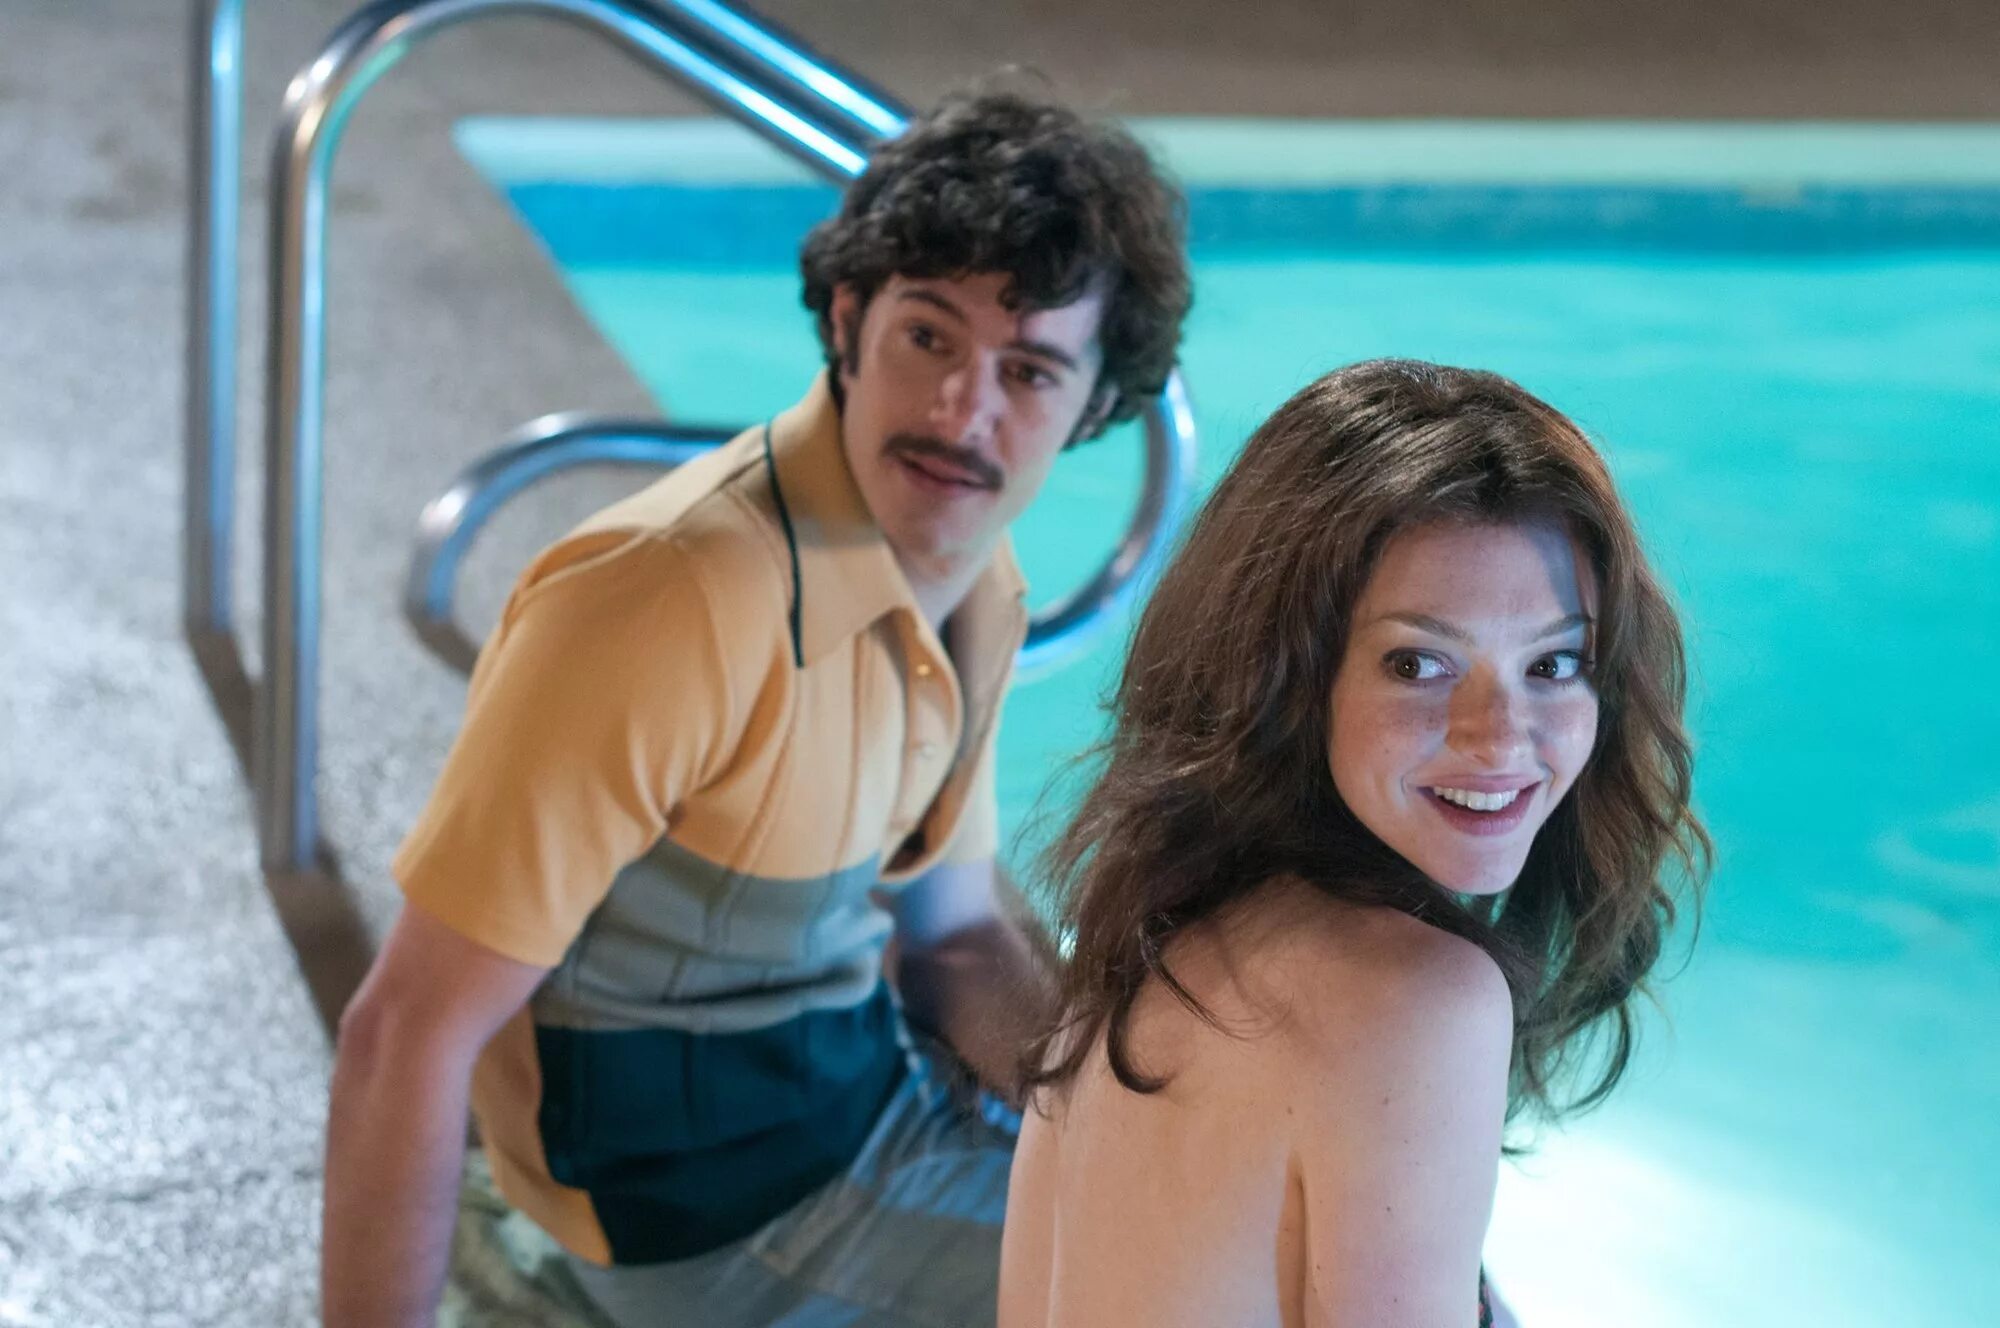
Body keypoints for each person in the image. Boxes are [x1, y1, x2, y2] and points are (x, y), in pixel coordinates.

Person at [320, 89, 1192, 1328]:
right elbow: (402, 1031)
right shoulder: (664, 601)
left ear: (1094, 405)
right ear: (847, 317)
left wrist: (1150, 1146)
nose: (962, 410)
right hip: (699, 1221)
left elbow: (952, 939)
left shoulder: (970, 575)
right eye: (927, 336)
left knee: (1265, 1242)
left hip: (865, 1110)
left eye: (1028, 371)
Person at [998, 359, 1710, 1327]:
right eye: (1418, 663)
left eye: (1553, 662)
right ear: (1283, 676)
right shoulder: (1414, 1001)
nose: (1500, 737)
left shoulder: (1146, 943)